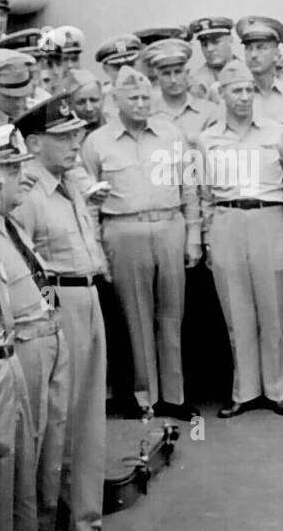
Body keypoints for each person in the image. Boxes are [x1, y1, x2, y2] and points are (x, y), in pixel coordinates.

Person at [11, 94, 130, 531]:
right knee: (58, 424)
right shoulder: (28, 192)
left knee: (86, 420)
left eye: (76, 134)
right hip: (57, 303)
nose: (73, 144)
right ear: (34, 142)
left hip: (87, 294)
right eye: (62, 137)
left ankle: (84, 530)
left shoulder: (68, 182)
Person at [80, 66, 200, 420]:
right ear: (115, 100)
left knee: (171, 315)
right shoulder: (97, 142)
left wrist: (193, 236)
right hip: (123, 230)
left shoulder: (172, 135)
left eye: (146, 97)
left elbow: (189, 187)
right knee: (136, 318)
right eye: (132, 98)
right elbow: (87, 203)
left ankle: (174, 397)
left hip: (169, 226)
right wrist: (96, 251)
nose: (141, 104)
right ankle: (144, 396)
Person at [0, 122, 62, 531]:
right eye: (10, 169)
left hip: (18, 364)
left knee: (20, 503)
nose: (21, 177)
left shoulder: (8, 225)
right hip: (8, 361)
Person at [196, 60, 283, 418]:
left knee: (272, 311)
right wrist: (206, 238)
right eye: (235, 90)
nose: (243, 97)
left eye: (248, 90)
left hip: (269, 218)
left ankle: (276, 389)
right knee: (236, 313)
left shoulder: (277, 132)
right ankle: (245, 391)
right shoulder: (207, 140)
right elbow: (203, 193)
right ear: (221, 94)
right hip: (226, 220)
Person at [147, 39, 217, 143]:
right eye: (166, 74)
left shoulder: (210, 112)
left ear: (187, 73)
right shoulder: (149, 116)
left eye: (178, 72)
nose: (173, 80)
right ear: (157, 77)